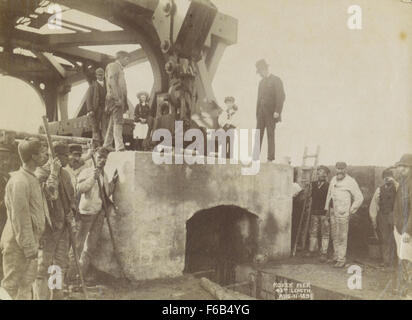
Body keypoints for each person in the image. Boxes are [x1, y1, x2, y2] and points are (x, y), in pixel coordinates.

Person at [0, 138, 50, 299]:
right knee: (11, 286)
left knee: (26, 285)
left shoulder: (31, 178)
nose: (45, 155)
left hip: (28, 243)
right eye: (42, 152)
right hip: (17, 245)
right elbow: (20, 220)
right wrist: (29, 248)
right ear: (33, 156)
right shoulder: (20, 182)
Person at [34, 141, 76, 300]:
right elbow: (48, 195)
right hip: (48, 229)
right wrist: (53, 172)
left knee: (59, 265)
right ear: (57, 156)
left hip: (63, 228)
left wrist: (72, 210)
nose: (69, 158)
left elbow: (71, 196)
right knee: (42, 267)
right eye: (66, 155)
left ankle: (56, 297)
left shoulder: (65, 174)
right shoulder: (41, 173)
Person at [76, 147, 118, 277]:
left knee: (90, 247)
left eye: (105, 158)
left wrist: (112, 183)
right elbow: (79, 189)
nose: (102, 160)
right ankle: (70, 276)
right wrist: (92, 178)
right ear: (95, 157)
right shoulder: (87, 172)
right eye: (100, 157)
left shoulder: (104, 175)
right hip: (86, 214)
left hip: (98, 214)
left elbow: (105, 193)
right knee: (77, 245)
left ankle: (80, 276)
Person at [324, 162, 364, 268]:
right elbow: (329, 195)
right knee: (334, 235)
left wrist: (351, 210)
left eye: (342, 169)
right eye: (338, 168)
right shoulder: (333, 179)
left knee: (342, 236)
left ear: (346, 169)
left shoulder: (351, 181)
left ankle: (341, 259)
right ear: (335, 169)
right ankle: (336, 256)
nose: (340, 171)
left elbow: (359, 198)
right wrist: (327, 209)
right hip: (333, 212)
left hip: (343, 213)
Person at [253, 59, 285, 162]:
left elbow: (281, 96)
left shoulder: (276, 80)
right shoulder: (261, 82)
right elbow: (258, 98)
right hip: (261, 112)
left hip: (271, 113)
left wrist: (277, 111)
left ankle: (270, 158)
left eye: (261, 71)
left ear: (265, 69)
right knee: (258, 134)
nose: (260, 74)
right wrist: (257, 113)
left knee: (270, 134)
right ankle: (255, 157)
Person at [369, 168, 398, 268]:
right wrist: (374, 218)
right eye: (385, 176)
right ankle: (386, 261)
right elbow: (374, 204)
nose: (387, 178)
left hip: (395, 216)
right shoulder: (379, 189)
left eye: (389, 176)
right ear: (382, 178)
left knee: (397, 238)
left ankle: (397, 261)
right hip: (383, 216)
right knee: (385, 239)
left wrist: (394, 182)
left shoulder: (398, 187)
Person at [392, 154, 412, 297]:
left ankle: (408, 290)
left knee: (408, 259)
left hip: (407, 230)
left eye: (404, 167)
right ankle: (405, 288)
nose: (401, 169)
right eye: (400, 167)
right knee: (403, 258)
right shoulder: (403, 183)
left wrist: (408, 231)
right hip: (399, 228)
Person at [103, 51, 130, 152]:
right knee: (118, 121)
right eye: (127, 59)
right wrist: (117, 98)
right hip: (115, 99)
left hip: (116, 99)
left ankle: (107, 144)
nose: (128, 62)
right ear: (121, 58)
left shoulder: (117, 68)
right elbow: (112, 81)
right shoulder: (114, 66)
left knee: (113, 121)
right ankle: (120, 146)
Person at [307, 165, 331, 262]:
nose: (319, 173)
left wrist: (328, 213)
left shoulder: (329, 186)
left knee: (325, 232)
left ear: (326, 174)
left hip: (324, 213)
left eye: (321, 171)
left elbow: (330, 200)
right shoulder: (313, 184)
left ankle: (324, 253)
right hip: (314, 212)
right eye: (318, 171)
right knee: (313, 231)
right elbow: (309, 196)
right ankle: (312, 250)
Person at [86, 68, 107, 147]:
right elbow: (88, 99)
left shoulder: (107, 85)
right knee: (95, 128)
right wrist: (90, 110)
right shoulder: (92, 86)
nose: (101, 76)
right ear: (96, 75)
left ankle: (105, 145)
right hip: (96, 110)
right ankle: (96, 145)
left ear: (104, 75)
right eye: (99, 75)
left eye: (102, 75)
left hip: (105, 109)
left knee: (105, 127)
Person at [0, 144, 11, 280]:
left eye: (6, 159)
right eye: (1, 159)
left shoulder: (7, 176)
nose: (4, 162)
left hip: (5, 217)